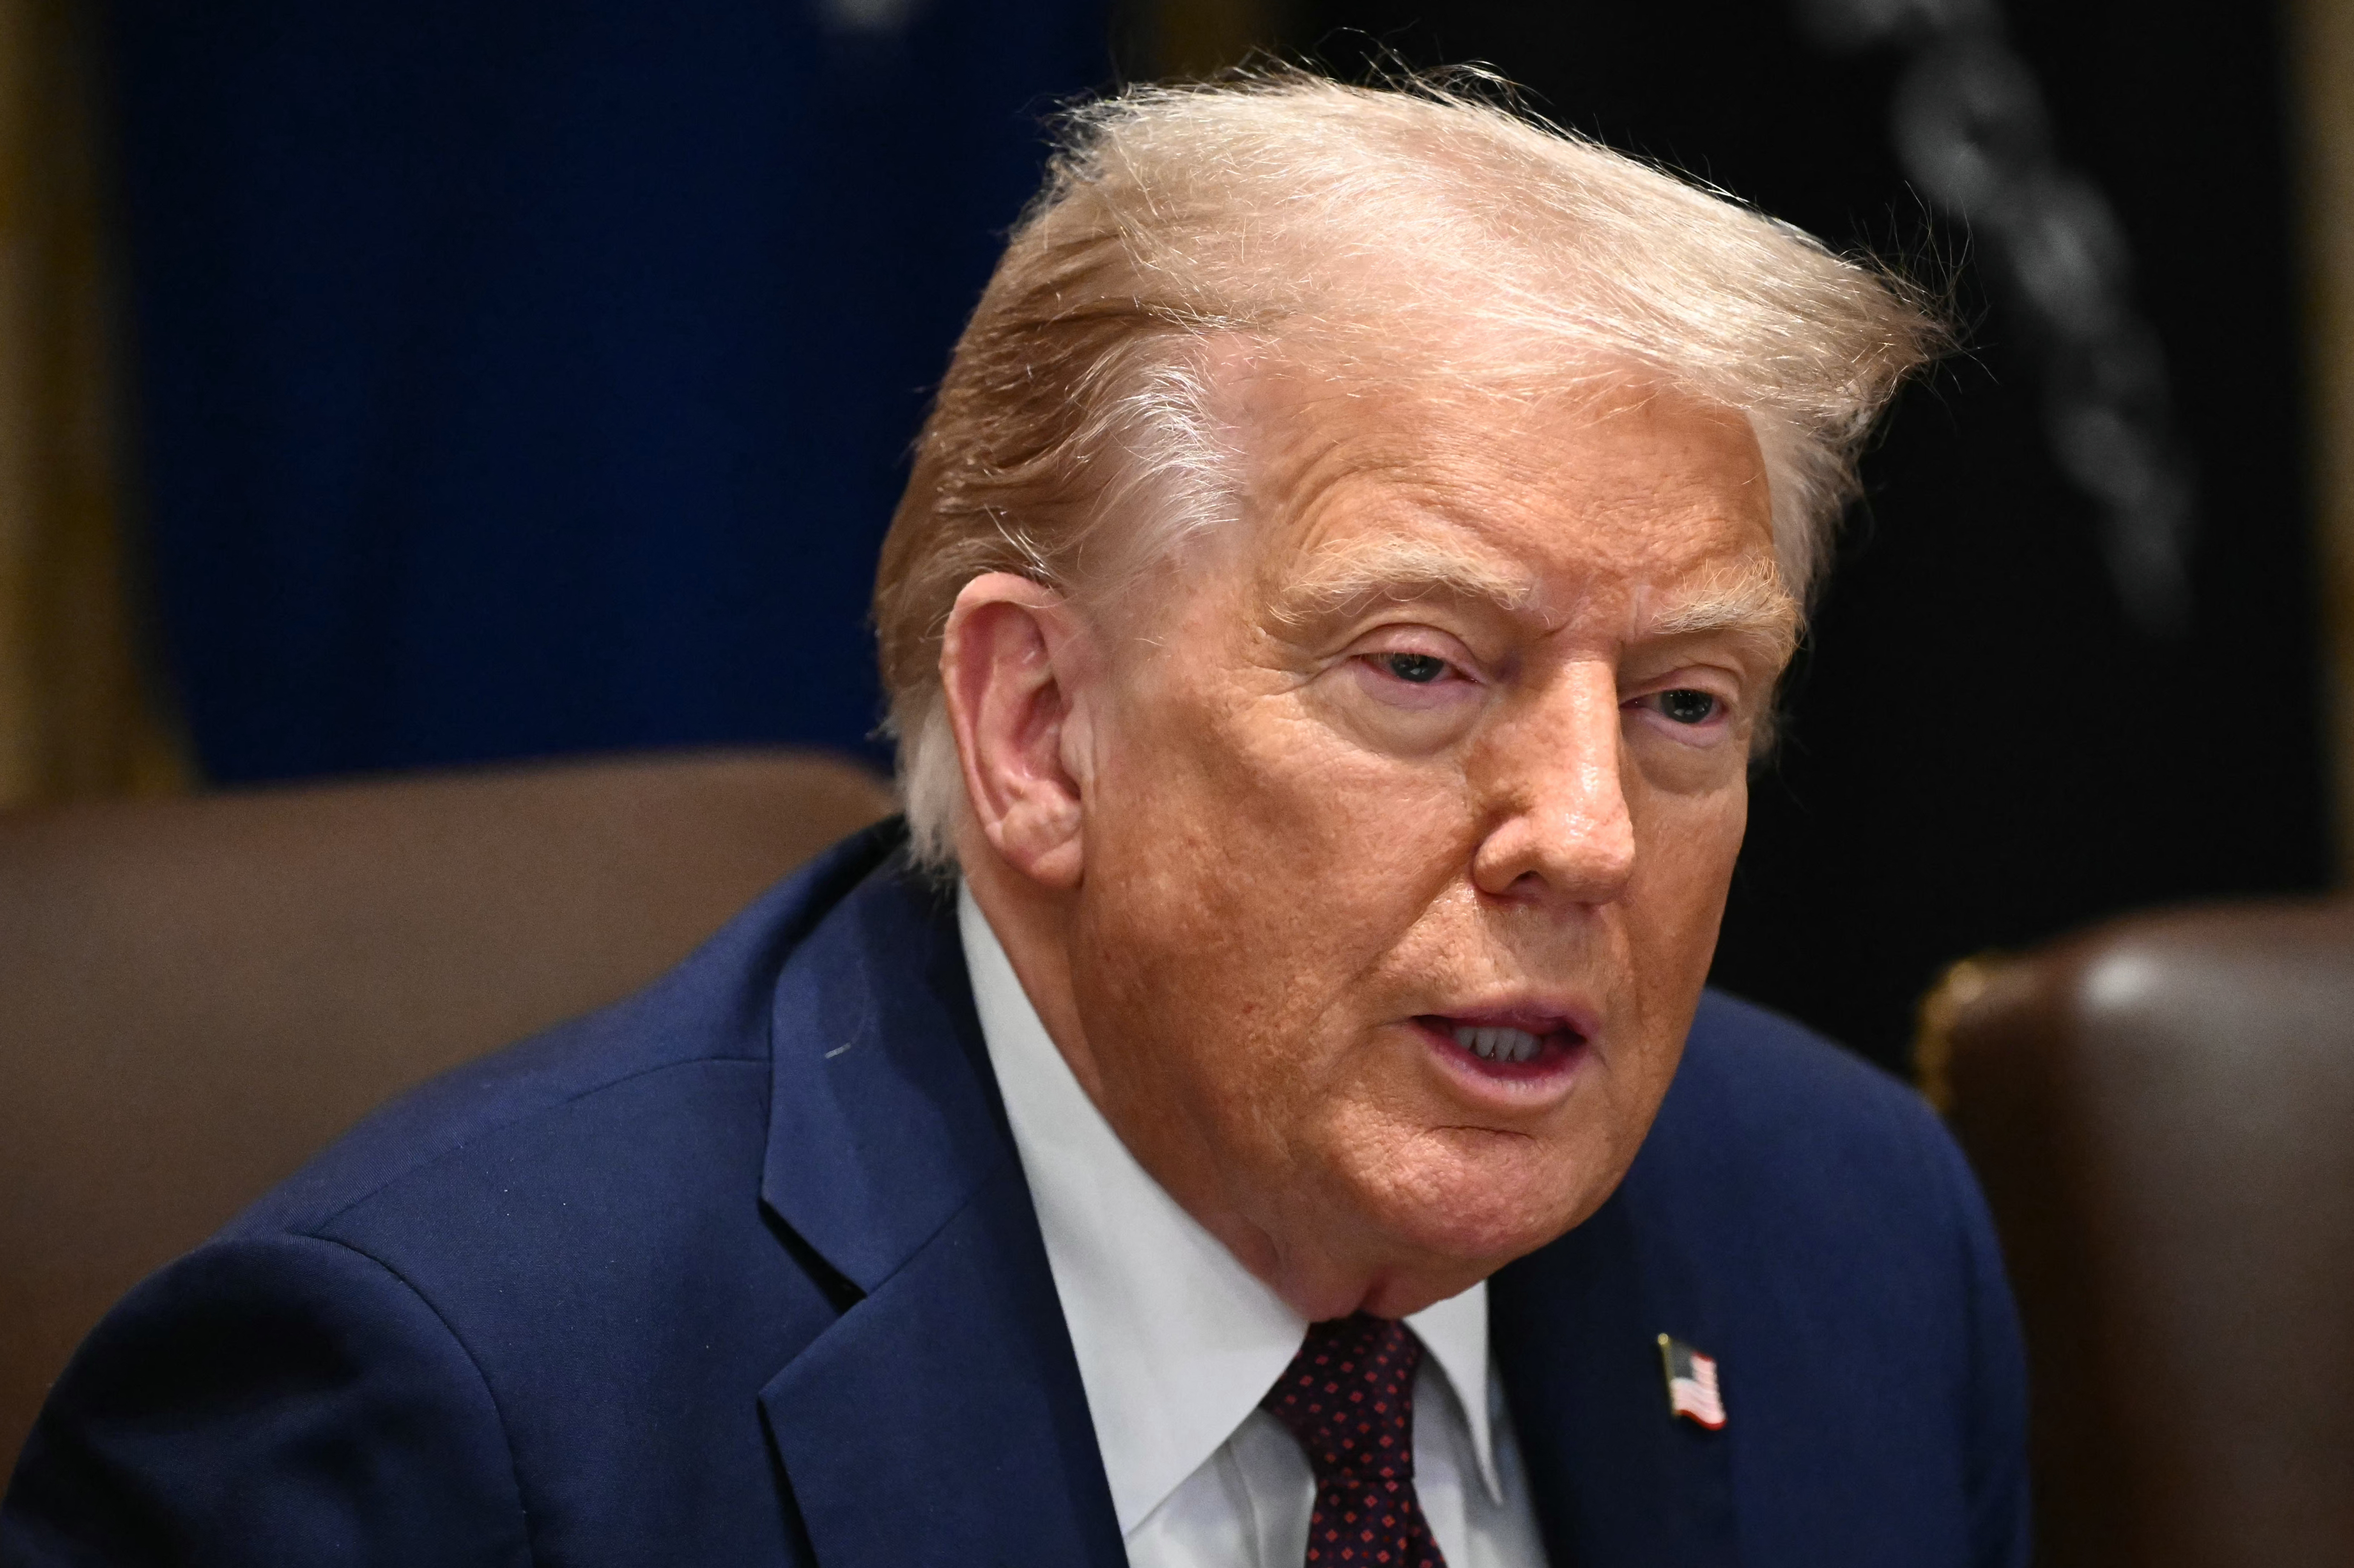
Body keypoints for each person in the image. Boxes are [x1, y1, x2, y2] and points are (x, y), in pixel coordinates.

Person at [0, 72, 2027, 1567]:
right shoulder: (443, 1425)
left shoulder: (1853, 1232)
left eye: (1686, 704)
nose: (1587, 830)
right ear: (1040, 729)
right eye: (1423, 668)